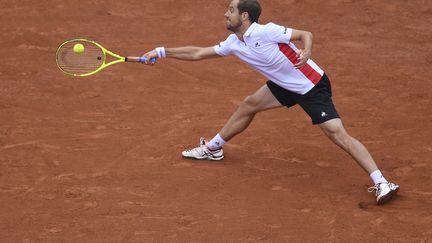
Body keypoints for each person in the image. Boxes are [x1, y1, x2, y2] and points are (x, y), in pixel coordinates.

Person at [142, 0, 399, 205]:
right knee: (249, 104)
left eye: (230, 10)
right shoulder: (234, 42)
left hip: (310, 86)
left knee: (336, 133)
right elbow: (198, 52)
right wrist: (161, 51)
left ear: (244, 16)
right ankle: (213, 148)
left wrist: (307, 51)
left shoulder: (266, 31)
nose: (225, 14)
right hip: (283, 84)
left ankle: (382, 182)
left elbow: (305, 34)